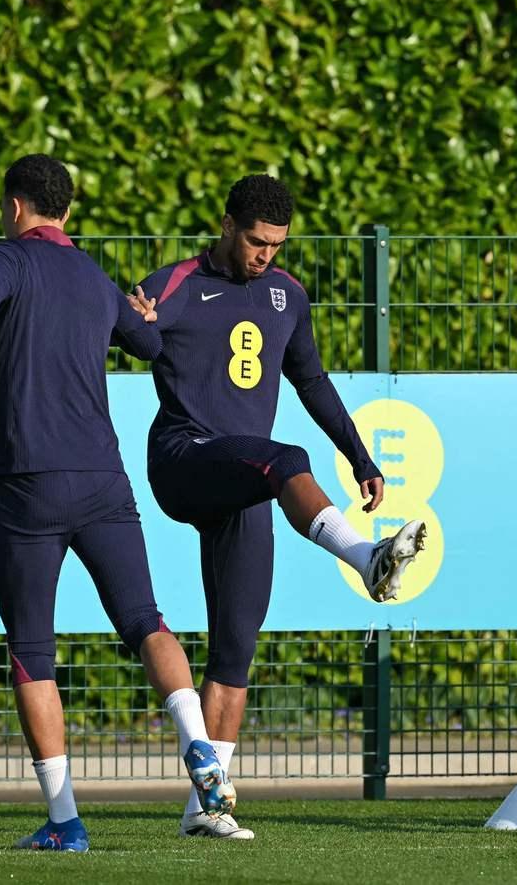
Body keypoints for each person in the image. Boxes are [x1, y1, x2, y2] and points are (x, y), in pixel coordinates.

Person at [0, 154, 232, 852]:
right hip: (103, 479)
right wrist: (142, 316)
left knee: (31, 651)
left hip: (27, 484)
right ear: (68, 212)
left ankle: (65, 821)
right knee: (145, 619)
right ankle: (198, 744)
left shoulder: (4, 258)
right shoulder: (92, 275)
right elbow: (147, 343)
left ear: (14, 206)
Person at [133, 174, 424, 839]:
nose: (265, 254)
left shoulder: (286, 294)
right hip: (184, 459)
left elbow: (311, 379)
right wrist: (135, 323)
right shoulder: (176, 282)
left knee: (236, 649)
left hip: (247, 479)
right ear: (227, 224)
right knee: (285, 458)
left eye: (277, 244)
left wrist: (360, 457)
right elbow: (131, 336)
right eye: (256, 241)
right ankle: (367, 558)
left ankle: (207, 808)